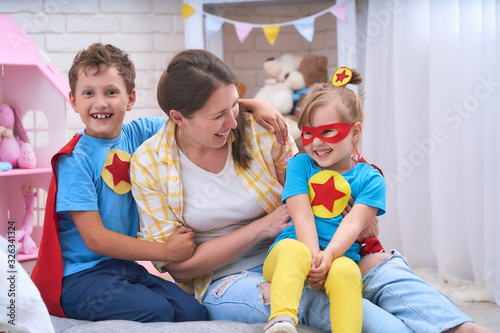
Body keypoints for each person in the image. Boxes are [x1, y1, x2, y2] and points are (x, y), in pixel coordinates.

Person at [130, 49, 494, 333]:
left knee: (385, 270)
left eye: (235, 105)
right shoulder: (150, 164)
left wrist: (353, 214)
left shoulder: (258, 128)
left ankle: (463, 326)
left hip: (308, 244)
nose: (232, 121)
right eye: (218, 115)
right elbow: (179, 267)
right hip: (229, 279)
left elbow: (322, 175)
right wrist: (263, 227)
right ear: (178, 117)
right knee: (321, 302)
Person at [30, 43, 286, 322]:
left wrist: (250, 105)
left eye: (111, 92)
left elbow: (194, 115)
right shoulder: (74, 160)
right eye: (88, 93)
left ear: (130, 99)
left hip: (124, 268)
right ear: (74, 101)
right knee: (157, 310)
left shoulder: (141, 133)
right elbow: (95, 239)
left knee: (193, 311)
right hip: (82, 274)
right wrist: (165, 251)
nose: (100, 102)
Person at [262, 67, 384, 333]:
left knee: (347, 272)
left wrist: (328, 256)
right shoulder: (300, 165)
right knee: (297, 251)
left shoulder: (370, 179)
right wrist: (314, 257)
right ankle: (281, 321)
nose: (316, 143)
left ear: (354, 132)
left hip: (338, 258)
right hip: (290, 253)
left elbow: (354, 224)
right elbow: (301, 215)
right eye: (308, 133)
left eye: (328, 132)